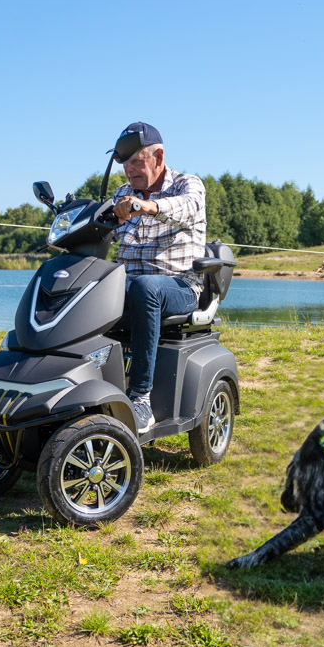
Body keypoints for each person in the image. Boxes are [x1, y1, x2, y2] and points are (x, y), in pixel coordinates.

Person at [108, 122, 206, 432]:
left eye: (137, 161)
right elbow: (105, 230)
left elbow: (187, 207)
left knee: (145, 286)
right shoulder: (123, 193)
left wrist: (147, 206)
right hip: (129, 285)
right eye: (125, 163)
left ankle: (141, 400)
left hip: (179, 286)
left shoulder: (187, 185)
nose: (129, 170)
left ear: (158, 156)